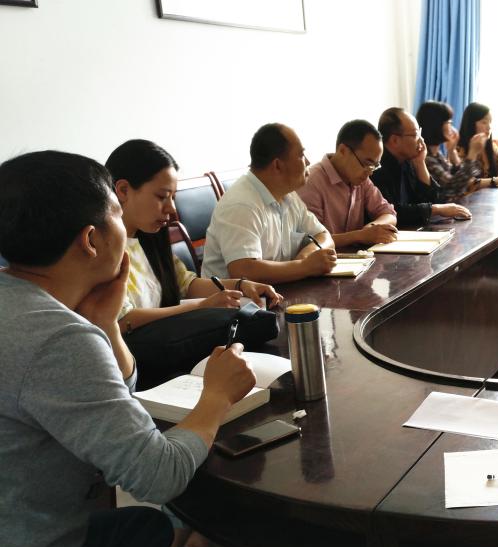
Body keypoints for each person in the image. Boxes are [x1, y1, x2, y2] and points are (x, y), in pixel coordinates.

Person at [0, 150, 263, 547]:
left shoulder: (22, 304)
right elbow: (157, 474)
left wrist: (104, 324)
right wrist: (216, 397)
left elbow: (112, 402)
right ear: (91, 239)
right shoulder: (53, 337)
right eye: (117, 214)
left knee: (145, 529)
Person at [107, 140, 283, 375]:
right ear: (123, 190)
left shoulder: (149, 239)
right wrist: (200, 307)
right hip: (138, 365)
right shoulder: (104, 252)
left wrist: (241, 285)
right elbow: (123, 320)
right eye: (162, 196)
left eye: (173, 197)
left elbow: (186, 284)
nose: (171, 209)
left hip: (170, 352)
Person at [202, 123, 338, 282]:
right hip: (232, 297)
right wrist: (304, 266)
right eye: (301, 155)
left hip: (277, 291)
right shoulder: (242, 204)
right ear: (278, 165)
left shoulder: (288, 195)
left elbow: (324, 236)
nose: (308, 161)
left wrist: (306, 256)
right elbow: (243, 271)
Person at [296, 120, 399, 248]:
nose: (370, 172)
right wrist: (360, 236)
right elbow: (311, 240)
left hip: (357, 257)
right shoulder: (312, 181)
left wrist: (373, 228)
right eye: (366, 163)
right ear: (343, 150)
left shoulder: (362, 179)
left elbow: (388, 213)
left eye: (375, 166)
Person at [372, 107, 471, 225]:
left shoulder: (408, 162)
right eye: (415, 134)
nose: (421, 140)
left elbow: (435, 199)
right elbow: (393, 212)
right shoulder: (376, 169)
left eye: (419, 133)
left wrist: (420, 163)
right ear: (395, 140)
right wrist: (435, 209)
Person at [417, 100, 484, 202]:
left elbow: (459, 180)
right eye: (448, 122)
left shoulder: (437, 154)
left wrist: (452, 152)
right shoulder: (425, 158)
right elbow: (451, 188)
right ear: (436, 125)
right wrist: (472, 154)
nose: (451, 126)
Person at [456, 102, 498, 191]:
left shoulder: (492, 147)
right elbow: (467, 183)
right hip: (469, 198)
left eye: (490, 122)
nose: (489, 127)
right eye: (484, 122)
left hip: (490, 196)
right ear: (471, 124)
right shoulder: (458, 149)